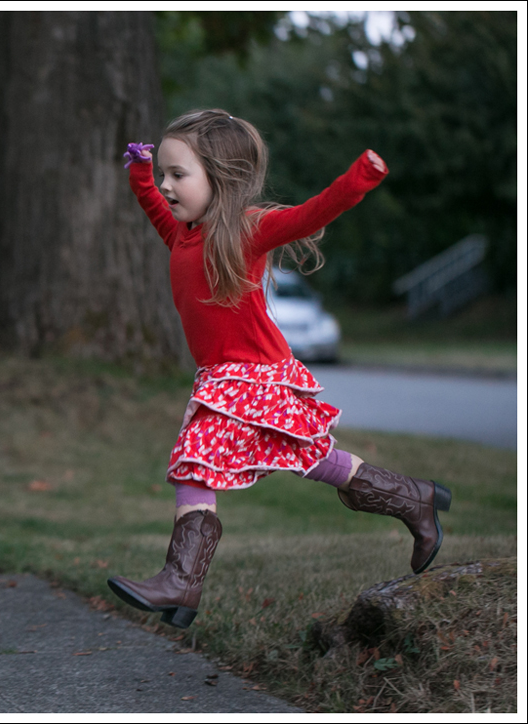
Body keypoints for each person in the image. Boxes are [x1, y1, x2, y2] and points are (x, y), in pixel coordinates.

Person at [107, 109, 452, 630]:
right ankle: (415, 499)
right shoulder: (181, 235)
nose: (166, 185)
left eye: (179, 174)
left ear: (221, 178)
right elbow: (152, 203)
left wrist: (362, 175)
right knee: (315, 459)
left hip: (253, 374)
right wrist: (140, 173)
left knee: (195, 458)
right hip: (222, 376)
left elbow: (312, 214)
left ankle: (182, 581)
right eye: (165, 174)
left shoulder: (247, 230)